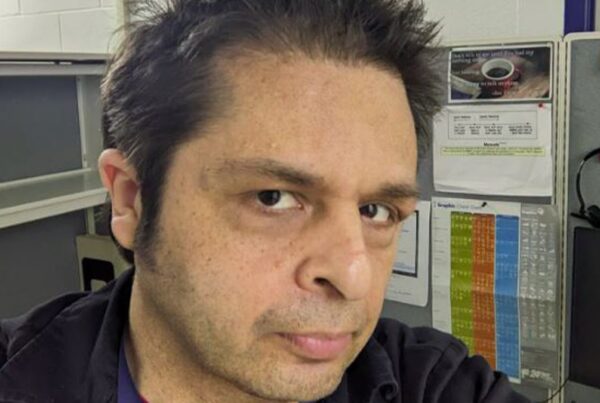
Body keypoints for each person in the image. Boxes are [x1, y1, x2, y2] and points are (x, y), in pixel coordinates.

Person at [0, 1, 531, 402]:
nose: (355, 277)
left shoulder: (436, 386)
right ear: (132, 201)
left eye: (375, 211)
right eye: (274, 198)